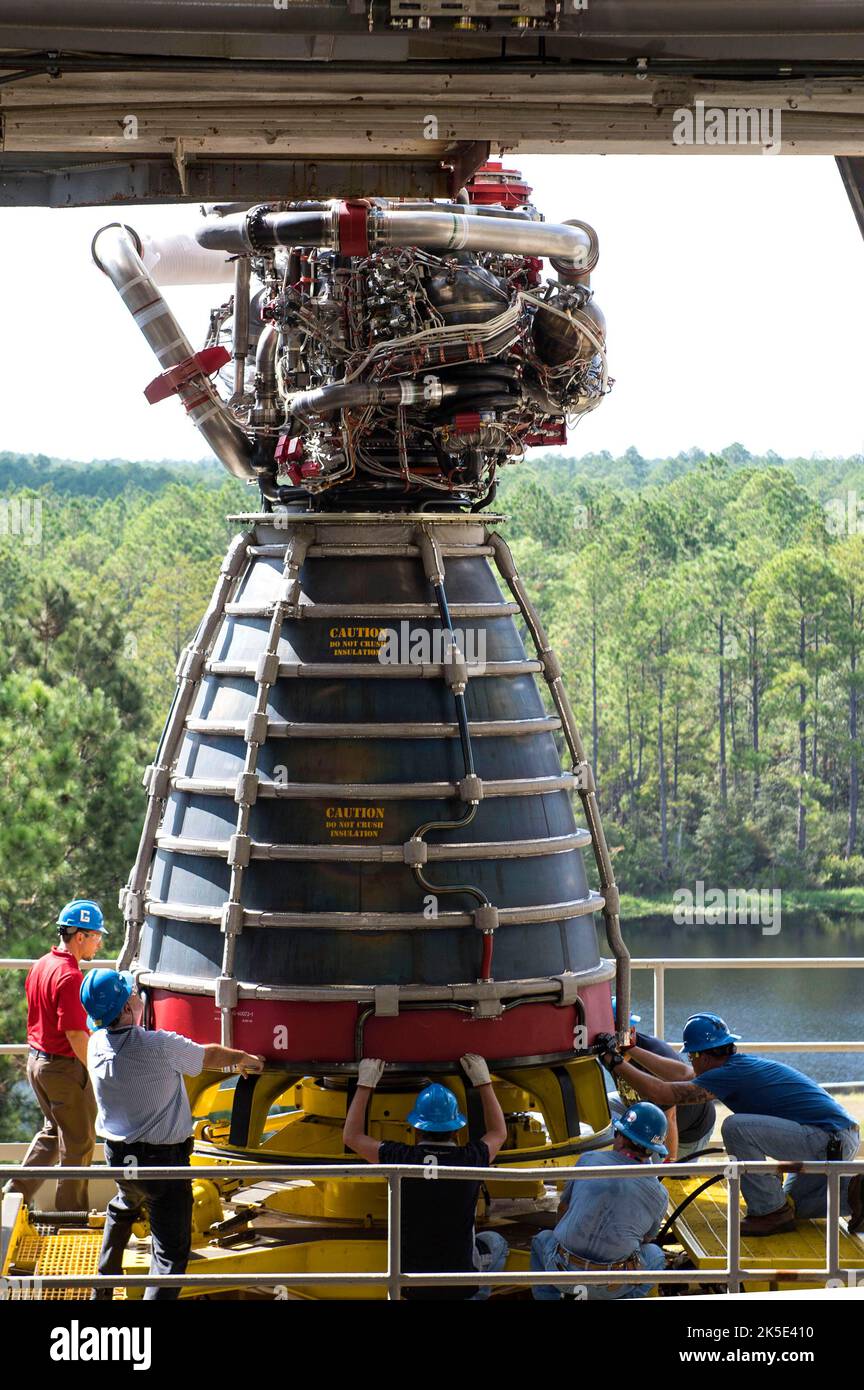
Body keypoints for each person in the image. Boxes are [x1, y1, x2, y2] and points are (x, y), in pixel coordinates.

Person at [81, 968, 265, 1300]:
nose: (138, 997)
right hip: (162, 1164)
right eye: (132, 995)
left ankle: (102, 1288)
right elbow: (207, 1055)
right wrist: (243, 1058)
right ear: (125, 1009)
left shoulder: (95, 1043)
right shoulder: (159, 1045)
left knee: (124, 1203)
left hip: (119, 1158)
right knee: (168, 1258)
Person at [601, 1011, 863, 1236]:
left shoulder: (727, 1074)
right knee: (795, 1205)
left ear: (702, 1057)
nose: (690, 1062)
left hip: (828, 1138)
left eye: (691, 1056)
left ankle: (769, 1212)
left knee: (735, 1127)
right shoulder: (731, 1067)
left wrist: (615, 1063)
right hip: (835, 1137)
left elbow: (662, 1094)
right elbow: (683, 1075)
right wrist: (631, 1050)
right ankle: (856, 1193)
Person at [343, 1053, 509, 1300]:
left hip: (409, 1285)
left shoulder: (399, 1159)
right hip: (459, 1283)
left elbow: (352, 1137)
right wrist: (483, 1082)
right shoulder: (471, 1158)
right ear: (456, 1130)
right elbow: (498, 1132)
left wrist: (365, 1083)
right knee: (497, 1243)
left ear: (416, 1128)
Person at [3, 900, 106, 1211]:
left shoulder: (42, 964)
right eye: (96, 935)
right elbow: (75, 1034)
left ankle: (12, 1195)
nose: (99, 942)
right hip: (62, 1068)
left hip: (38, 1064)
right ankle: (69, 1217)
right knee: (80, 1143)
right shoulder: (70, 976)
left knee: (53, 1131)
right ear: (79, 937)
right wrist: (97, 1070)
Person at [530, 1101, 669, 1300]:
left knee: (542, 1240)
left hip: (563, 1272)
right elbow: (646, 1238)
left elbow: (563, 1208)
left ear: (620, 1137)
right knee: (654, 1255)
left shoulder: (588, 1160)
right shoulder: (659, 1193)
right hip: (612, 1286)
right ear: (651, 1150)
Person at [600, 998, 716, 1161]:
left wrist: (670, 1163)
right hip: (647, 1109)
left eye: (629, 1028)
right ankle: (617, 1157)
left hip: (687, 1131)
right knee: (604, 1104)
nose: (631, 1032)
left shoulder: (654, 1055)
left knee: (658, 1171)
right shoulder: (606, 1052)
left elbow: (670, 1118)